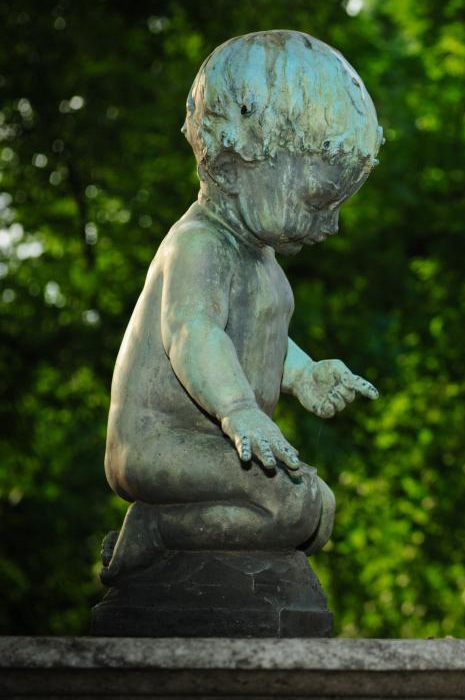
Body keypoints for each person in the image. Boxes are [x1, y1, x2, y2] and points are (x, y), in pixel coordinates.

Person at [101, 30, 383, 582]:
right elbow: (194, 332)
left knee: (317, 510)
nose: (331, 224)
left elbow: (259, 339)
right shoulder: (198, 244)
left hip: (221, 448)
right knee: (293, 505)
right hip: (159, 446)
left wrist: (303, 375)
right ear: (236, 165)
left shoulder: (263, 262)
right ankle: (156, 529)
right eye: (318, 202)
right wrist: (239, 409)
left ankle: (173, 531)